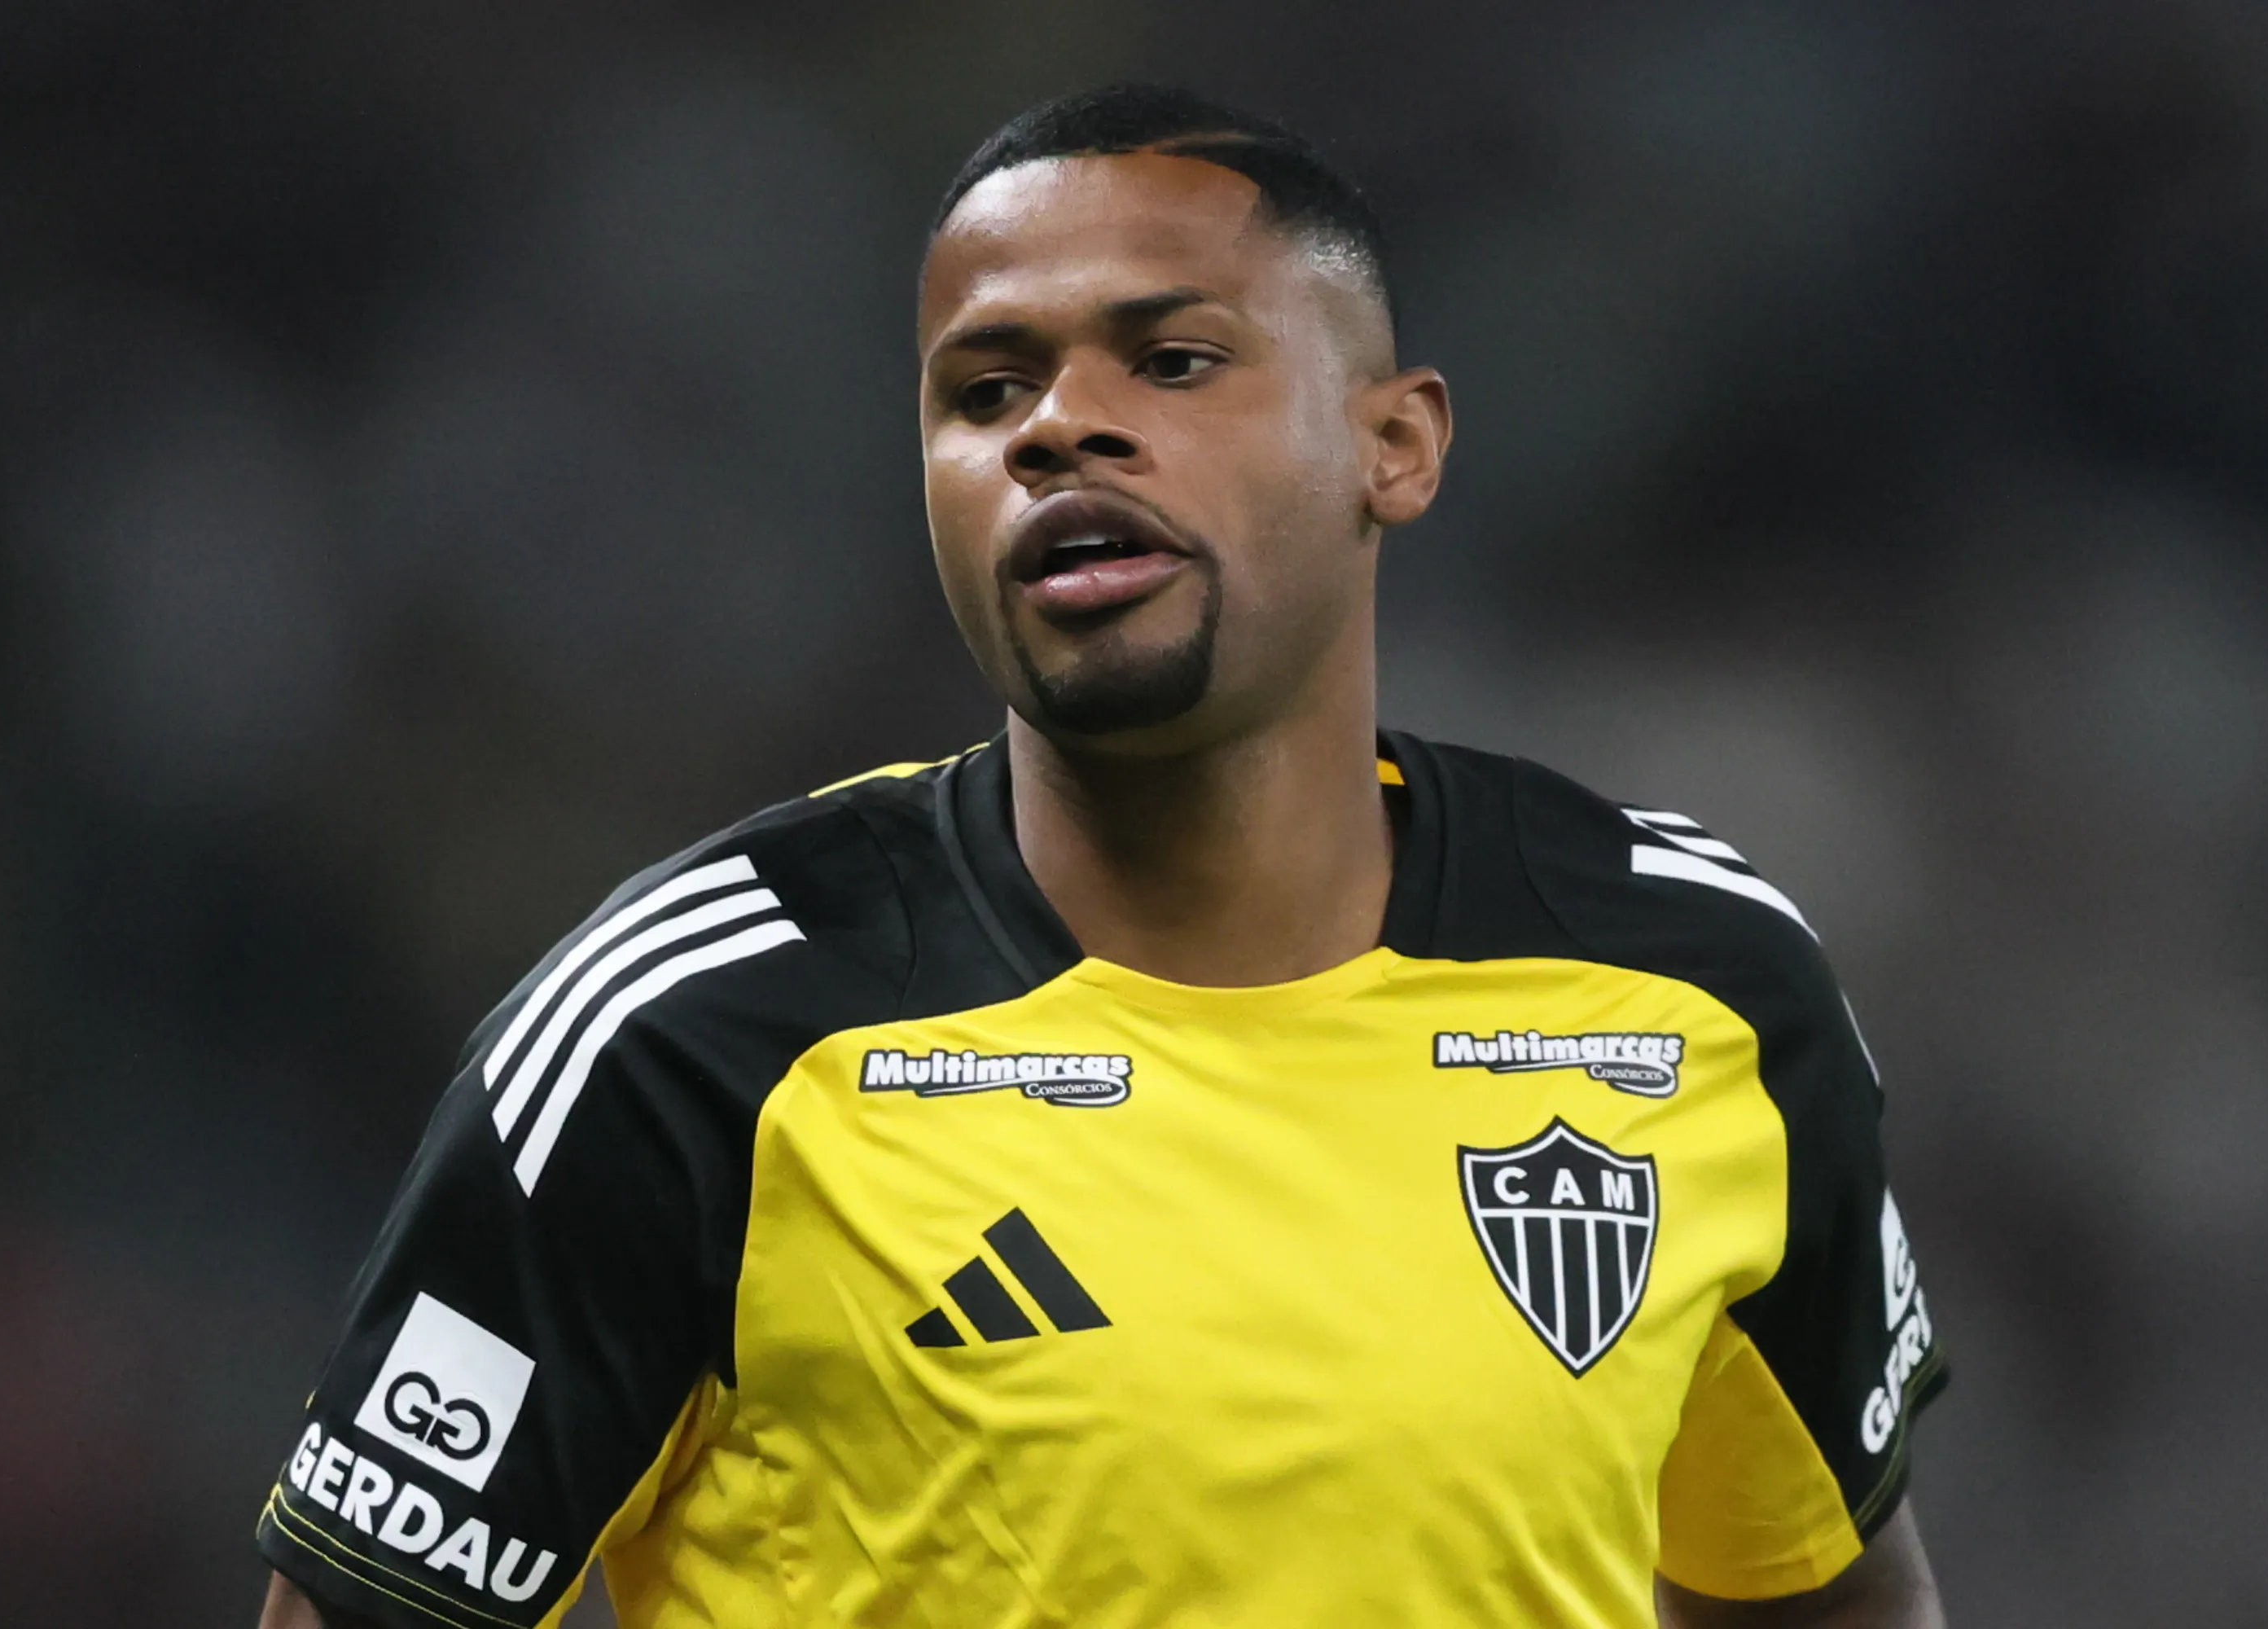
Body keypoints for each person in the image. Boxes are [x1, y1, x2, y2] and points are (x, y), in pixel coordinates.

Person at [256, 84, 1947, 1629]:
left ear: (1397, 445)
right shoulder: (691, 1037)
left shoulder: (1695, 985)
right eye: (986, 391)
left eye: (1174, 361)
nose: (1060, 426)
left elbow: (1823, 1601)